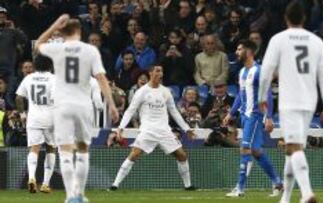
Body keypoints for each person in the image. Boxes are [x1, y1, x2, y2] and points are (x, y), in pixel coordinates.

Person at [34, 14, 119, 203]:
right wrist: (111, 104)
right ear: (79, 31)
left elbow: (37, 44)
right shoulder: (90, 50)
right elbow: (101, 79)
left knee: (64, 152)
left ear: (62, 31)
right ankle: (79, 194)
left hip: (62, 106)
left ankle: (70, 196)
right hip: (83, 106)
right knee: (82, 150)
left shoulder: (58, 48)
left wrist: (54, 24)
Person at [258, 2, 323, 203]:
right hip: (309, 101)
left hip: (290, 100)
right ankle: (287, 198)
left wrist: (261, 97)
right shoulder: (316, 41)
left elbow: (266, 72)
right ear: (305, 19)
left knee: (294, 147)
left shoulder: (279, 39)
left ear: (286, 18)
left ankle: (307, 193)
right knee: (293, 148)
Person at [108, 65, 196, 191]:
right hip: (148, 129)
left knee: (182, 155)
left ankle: (188, 186)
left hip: (164, 130)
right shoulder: (142, 92)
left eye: (162, 71)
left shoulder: (166, 91)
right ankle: (114, 185)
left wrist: (186, 129)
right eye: (157, 71)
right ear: (151, 73)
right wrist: (120, 128)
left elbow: (174, 112)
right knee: (134, 154)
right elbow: (130, 110)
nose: (160, 73)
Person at [223, 40, 282, 197]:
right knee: (256, 151)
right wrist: (231, 113)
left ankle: (240, 188)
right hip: (244, 116)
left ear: (249, 52)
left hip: (254, 116)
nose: (236, 52)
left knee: (245, 147)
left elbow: (268, 93)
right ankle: (278, 183)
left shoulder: (259, 71)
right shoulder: (242, 72)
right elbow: (240, 95)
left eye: (239, 49)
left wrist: (269, 117)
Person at [15, 55, 56, 194]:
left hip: (33, 119)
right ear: (50, 66)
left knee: (34, 149)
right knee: (51, 149)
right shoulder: (54, 79)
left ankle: (32, 178)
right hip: (51, 119)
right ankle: (45, 183)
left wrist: (22, 115)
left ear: (36, 66)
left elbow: (19, 97)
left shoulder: (28, 78)